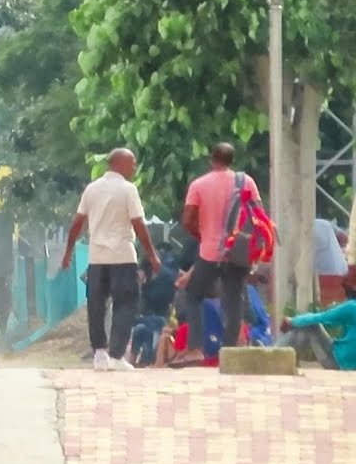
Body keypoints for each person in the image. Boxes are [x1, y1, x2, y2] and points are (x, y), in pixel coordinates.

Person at [62, 147, 162, 371]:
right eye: (132, 163)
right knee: (125, 304)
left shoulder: (92, 189)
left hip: (97, 258)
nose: (135, 167)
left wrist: (68, 251)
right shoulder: (128, 190)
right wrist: (152, 254)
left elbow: (78, 222)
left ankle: (99, 354)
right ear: (119, 163)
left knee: (96, 305)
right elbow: (138, 223)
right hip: (123, 256)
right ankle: (116, 355)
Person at [170, 142, 262, 366]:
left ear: (212, 159)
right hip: (237, 252)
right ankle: (229, 352)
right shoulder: (246, 181)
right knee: (234, 300)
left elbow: (188, 219)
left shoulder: (199, 185)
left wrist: (202, 235)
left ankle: (195, 348)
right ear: (232, 160)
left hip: (209, 252)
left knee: (193, 294)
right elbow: (259, 215)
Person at [277, 270, 356, 370]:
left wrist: (292, 320)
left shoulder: (352, 307)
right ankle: (280, 351)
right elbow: (330, 322)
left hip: (339, 363)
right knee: (305, 327)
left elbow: (321, 317)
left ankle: (275, 352)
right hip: (347, 362)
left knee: (311, 325)